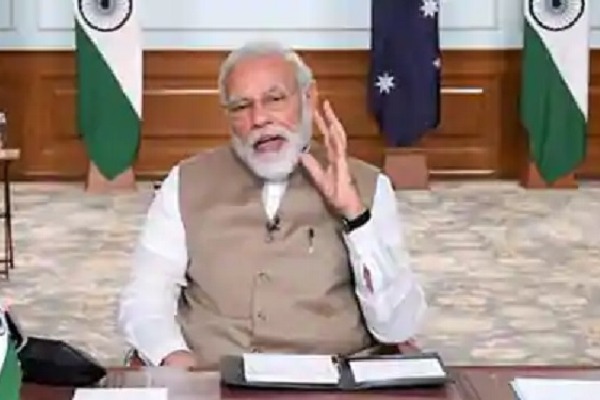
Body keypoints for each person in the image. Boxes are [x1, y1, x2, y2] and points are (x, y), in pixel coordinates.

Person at [118, 40, 427, 369]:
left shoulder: (368, 186)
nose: (259, 119)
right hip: (215, 378)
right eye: (241, 106)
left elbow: (397, 327)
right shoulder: (185, 182)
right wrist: (172, 355)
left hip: (332, 382)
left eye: (275, 99)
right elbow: (146, 298)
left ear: (308, 98)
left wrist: (355, 216)